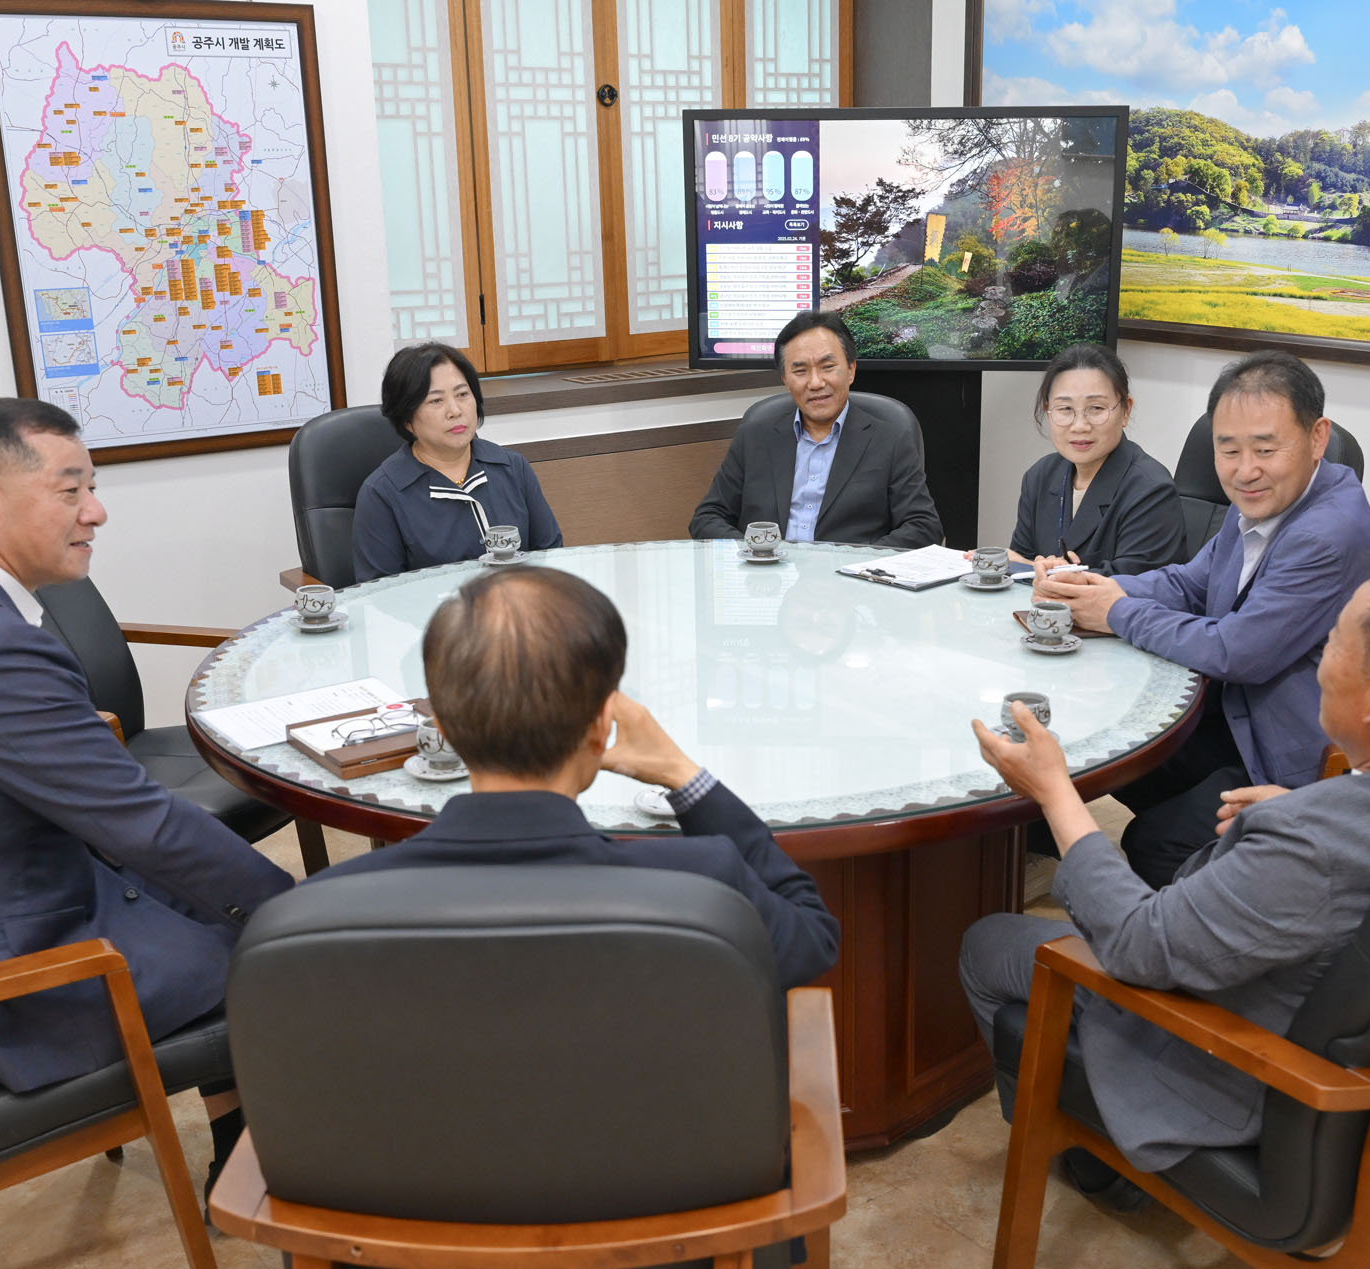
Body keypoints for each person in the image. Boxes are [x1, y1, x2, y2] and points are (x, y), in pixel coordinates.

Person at [961, 541, 1370, 1199]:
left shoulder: (1310, 849)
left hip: (1240, 1075)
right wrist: (1310, 804)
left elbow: (1134, 944)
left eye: (1333, 642)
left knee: (988, 943)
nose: (1319, 657)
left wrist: (1055, 793)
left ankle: (1098, 1161)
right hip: (1358, 1014)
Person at [0, 398, 291, 1184]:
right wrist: (294, 912)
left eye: (93, 488)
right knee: (270, 953)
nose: (96, 512)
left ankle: (235, 1151)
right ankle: (268, 1171)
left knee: (211, 898)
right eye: (70, 490)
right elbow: (144, 825)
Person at [305, 565, 841, 990]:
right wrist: (684, 775)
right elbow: (812, 937)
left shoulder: (326, 911)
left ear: (441, 728)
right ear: (603, 726)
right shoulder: (704, 886)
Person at [1033, 350, 1370, 888]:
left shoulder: (1324, 533)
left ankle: (1192, 924)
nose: (1245, 470)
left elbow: (1236, 651)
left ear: (1317, 438)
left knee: (1155, 843)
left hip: (1289, 757)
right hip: (1237, 716)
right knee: (1096, 749)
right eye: (1229, 449)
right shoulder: (1267, 498)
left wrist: (1117, 612)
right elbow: (1190, 583)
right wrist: (1096, 586)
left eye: (1265, 448)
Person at [689, 310, 941, 549]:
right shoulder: (755, 434)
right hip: (767, 575)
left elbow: (923, 527)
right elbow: (708, 517)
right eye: (800, 371)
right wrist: (755, 553)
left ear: (851, 370)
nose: (816, 382)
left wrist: (857, 565)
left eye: (827, 367)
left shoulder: (890, 438)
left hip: (848, 577)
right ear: (785, 380)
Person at [353, 342, 564, 582]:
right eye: (436, 401)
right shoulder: (382, 494)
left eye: (462, 394)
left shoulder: (512, 467)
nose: (455, 410)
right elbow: (380, 593)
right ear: (407, 419)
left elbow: (550, 556)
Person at [1005, 342, 1185, 576]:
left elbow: (1135, 584)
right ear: (1049, 411)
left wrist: (1051, 573)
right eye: (1065, 409)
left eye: (1096, 408)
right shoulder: (1039, 477)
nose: (1080, 425)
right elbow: (1020, 567)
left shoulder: (1151, 490)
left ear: (1125, 411)